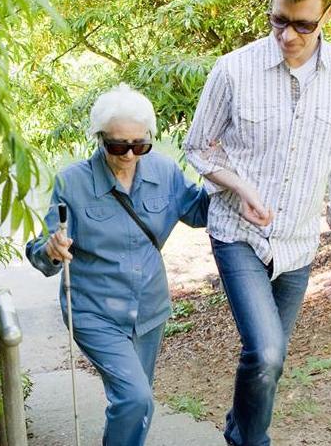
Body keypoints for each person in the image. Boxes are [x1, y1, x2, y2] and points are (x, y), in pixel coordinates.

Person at [182, 0, 331, 444]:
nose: (287, 36)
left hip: (298, 243)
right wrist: (242, 188)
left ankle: (239, 433)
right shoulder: (234, 69)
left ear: (329, 13)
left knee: (271, 362)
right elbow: (198, 146)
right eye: (278, 20)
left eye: (303, 25)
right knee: (264, 352)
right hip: (238, 233)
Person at [26, 84, 209, 446]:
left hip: (149, 310)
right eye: (117, 146)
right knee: (135, 397)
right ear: (100, 139)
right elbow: (41, 251)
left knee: (137, 404)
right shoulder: (72, 183)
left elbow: (201, 211)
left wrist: (229, 179)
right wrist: (51, 249)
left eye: (139, 146)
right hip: (94, 311)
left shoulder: (165, 172)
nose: (128, 154)